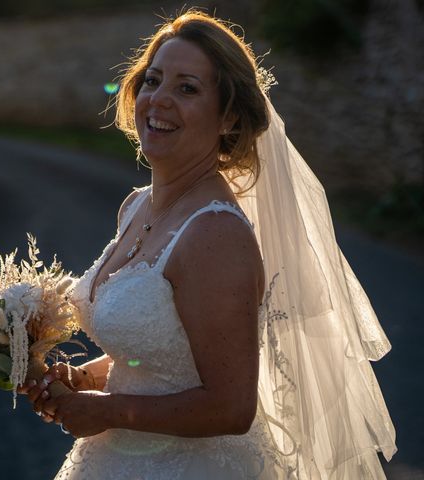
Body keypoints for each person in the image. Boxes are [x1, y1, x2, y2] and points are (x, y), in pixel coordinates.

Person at [21, 10, 396, 479]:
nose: (158, 100)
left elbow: (231, 407)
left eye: (188, 88)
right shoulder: (135, 206)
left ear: (229, 117)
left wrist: (109, 411)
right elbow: (164, 351)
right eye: (153, 80)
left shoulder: (215, 235)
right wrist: (85, 378)